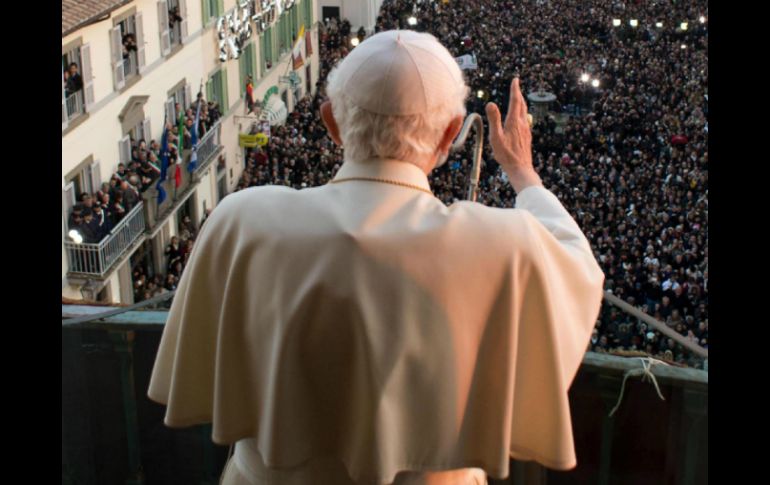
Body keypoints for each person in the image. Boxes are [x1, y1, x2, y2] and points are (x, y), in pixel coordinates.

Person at [148, 30, 604, 484]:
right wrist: (522, 172)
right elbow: (578, 266)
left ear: (331, 123)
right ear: (449, 135)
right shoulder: (504, 244)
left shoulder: (241, 221)